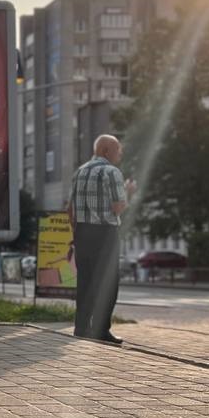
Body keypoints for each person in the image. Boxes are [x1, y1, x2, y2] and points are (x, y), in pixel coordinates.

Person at [67, 134, 134, 344]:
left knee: (85, 282)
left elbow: (70, 210)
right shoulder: (111, 172)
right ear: (106, 151)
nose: (120, 154)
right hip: (105, 233)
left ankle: (81, 327)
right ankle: (100, 329)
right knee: (107, 283)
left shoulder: (80, 171)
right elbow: (118, 207)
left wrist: (76, 233)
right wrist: (128, 192)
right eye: (118, 150)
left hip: (82, 232)